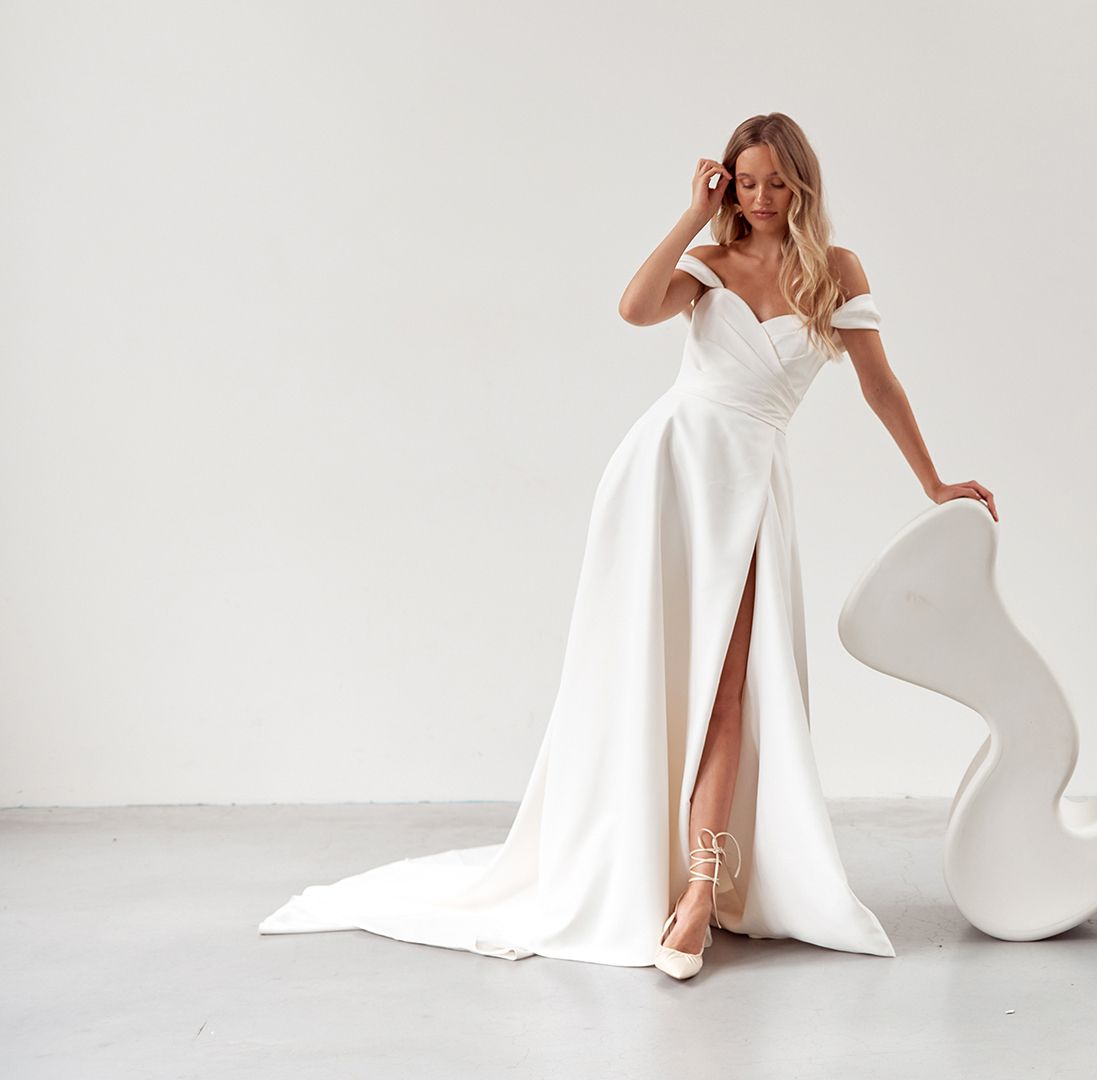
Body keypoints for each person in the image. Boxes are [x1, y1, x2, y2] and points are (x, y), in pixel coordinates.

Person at [258, 112, 997, 982]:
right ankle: (647, 871)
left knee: (732, 686)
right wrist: (693, 215)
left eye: (776, 184)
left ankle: (697, 891)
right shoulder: (710, 262)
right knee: (649, 673)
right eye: (745, 181)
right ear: (728, 180)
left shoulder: (835, 273)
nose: (760, 199)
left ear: (803, 186)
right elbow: (635, 307)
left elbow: (880, 383)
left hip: (751, 488)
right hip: (665, 475)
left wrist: (932, 481)